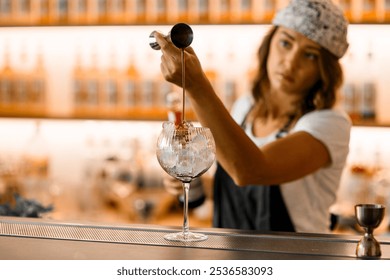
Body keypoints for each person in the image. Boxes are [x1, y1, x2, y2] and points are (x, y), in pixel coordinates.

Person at [155, 0, 351, 233]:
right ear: (269, 44)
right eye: (285, 43)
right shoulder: (245, 107)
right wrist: (194, 183)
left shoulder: (329, 123)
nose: (290, 62)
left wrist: (197, 86)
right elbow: (238, 188)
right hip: (235, 256)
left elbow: (250, 170)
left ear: (325, 69)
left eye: (310, 56)